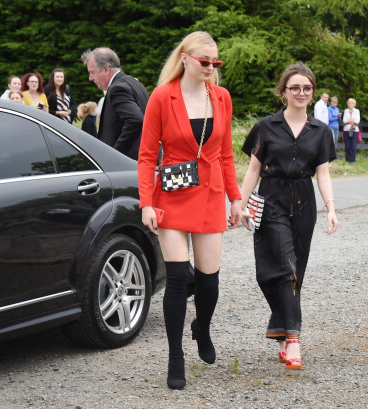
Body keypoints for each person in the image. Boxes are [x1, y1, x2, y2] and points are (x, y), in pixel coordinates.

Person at [138, 31, 242, 390]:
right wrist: (146, 203)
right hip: (171, 194)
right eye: (204, 62)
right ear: (184, 58)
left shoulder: (222, 98)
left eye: (216, 63)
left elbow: (226, 154)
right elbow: (147, 154)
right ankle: (175, 357)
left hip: (211, 194)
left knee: (209, 281)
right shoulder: (161, 97)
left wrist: (236, 198)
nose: (211, 68)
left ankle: (203, 328)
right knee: (178, 279)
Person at [235, 62, 339, 372]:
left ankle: (282, 330)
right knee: (280, 267)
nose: (301, 93)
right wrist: (238, 206)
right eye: (295, 87)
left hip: (304, 201)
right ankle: (293, 338)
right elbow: (253, 170)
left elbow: (324, 174)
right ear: (284, 91)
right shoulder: (265, 127)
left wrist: (331, 207)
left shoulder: (321, 131)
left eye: (307, 88)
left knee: (295, 272)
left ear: (312, 91)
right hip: (271, 198)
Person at [81, 47, 149, 160]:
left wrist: (115, 154)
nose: (90, 78)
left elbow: (136, 120)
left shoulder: (117, 88)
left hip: (128, 165)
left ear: (106, 69)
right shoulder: (135, 83)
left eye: (92, 72)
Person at [343, 97, 361, 163]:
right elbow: (344, 120)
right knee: (347, 145)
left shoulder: (357, 111)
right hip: (347, 130)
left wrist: (349, 121)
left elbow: (357, 121)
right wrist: (352, 120)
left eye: (352, 103)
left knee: (353, 146)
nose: (351, 104)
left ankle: (353, 160)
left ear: (354, 104)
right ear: (348, 104)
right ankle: (347, 160)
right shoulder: (346, 111)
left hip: (354, 130)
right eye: (349, 103)